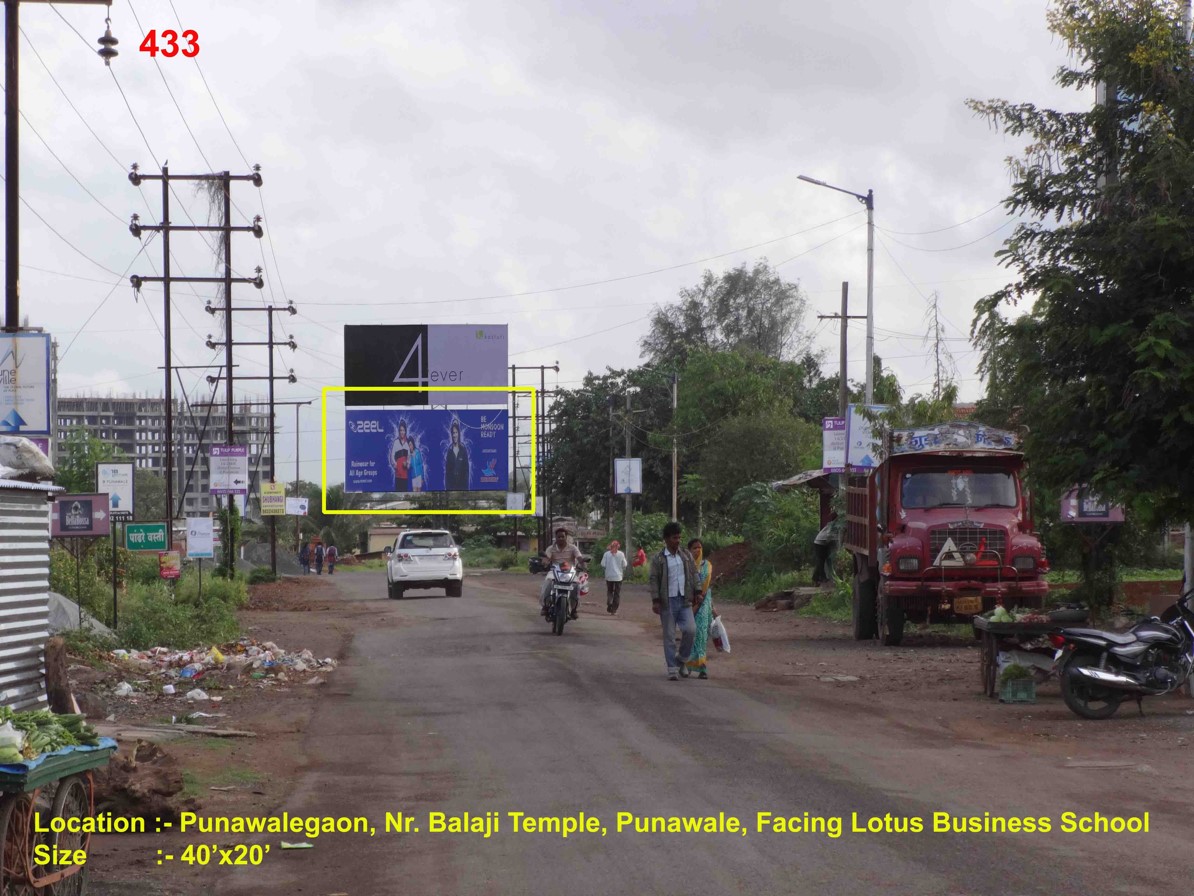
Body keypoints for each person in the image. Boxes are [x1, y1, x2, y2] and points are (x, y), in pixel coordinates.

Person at [648, 521, 700, 681]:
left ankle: (681, 660)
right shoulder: (658, 558)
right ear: (666, 539)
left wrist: (697, 591)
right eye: (674, 538)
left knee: (691, 630)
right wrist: (655, 600)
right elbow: (653, 579)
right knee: (669, 636)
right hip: (667, 601)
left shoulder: (685, 555)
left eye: (679, 537)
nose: (677, 540)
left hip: (684, 600)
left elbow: (694, 573)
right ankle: (672, 668)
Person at [685, 538, 714, 679]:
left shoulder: (707, 565)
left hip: (703, 605)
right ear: (689, 550)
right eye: (694, 548)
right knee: (689, 635)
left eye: (700, 547)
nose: (698, 550)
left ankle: (702, 667)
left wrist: (706, 604)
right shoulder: (686, 566)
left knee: (701, 635)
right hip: (688, 603)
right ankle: (687, 664)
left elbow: (706, 586)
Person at [539, 527, 584, 620]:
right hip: (554, 571)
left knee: (576, 586)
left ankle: (574, 609)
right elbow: (546, 559)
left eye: (562, 537)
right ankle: (545, 606)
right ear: (556, 537)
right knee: (547, 583)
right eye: (558, 537)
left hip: (570, 572)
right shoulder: (551, 548)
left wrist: (583, 563)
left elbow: (579, 558)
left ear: (566, 537)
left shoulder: (573, 548)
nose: (560, 539)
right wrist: (545, 561)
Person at [812, 513, 840, 588]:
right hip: (819, 543)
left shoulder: (835, 524)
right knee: (821, 561)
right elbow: (829, 535)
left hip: (824, 543)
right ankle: (822, 578)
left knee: (822, 561)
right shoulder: (833, 525)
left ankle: (815, 578)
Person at [601, 539, 628, 615]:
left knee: (610, 591)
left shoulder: (606, 554)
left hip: (609, 576)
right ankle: (614, 609)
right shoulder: (621, 554)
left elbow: (603, 564)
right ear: (618, 547)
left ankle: (609, 602)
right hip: (618, 577)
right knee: (617, 593)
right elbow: (625, 565)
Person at [445, 422, 470, 490]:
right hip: (451, 488)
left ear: (459, 433)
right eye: (453, 433)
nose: (454, 435)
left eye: (456, 432)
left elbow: (466, 471)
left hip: (462, 487)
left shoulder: (463, 449)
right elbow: (447, 473)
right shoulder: (449, 451)